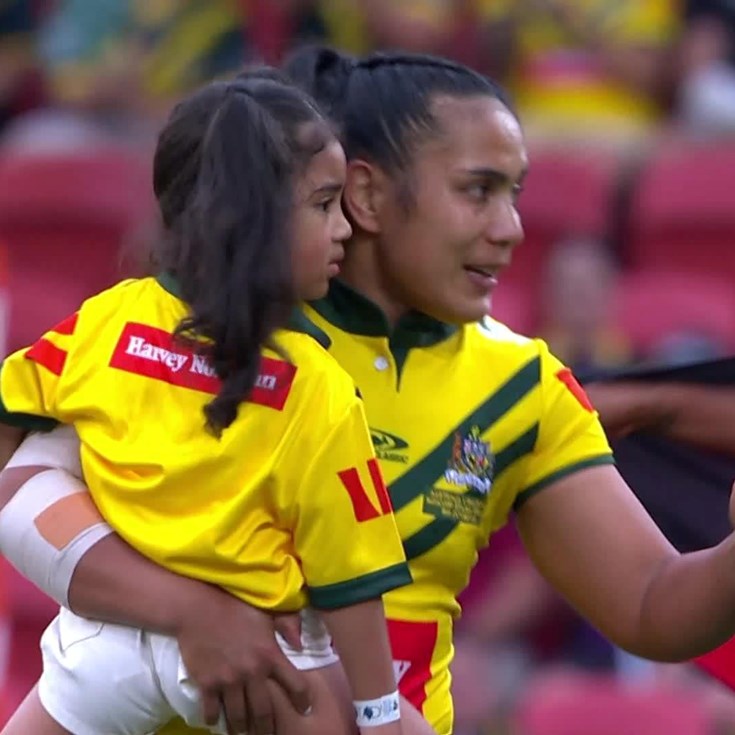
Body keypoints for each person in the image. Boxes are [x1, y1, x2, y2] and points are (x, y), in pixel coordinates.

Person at [6, 47, 735, 735]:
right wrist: (197, 614)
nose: (511, 229)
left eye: (514, 195)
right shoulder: (209, 324)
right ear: (367, 194)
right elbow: (24, 491)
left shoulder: (525, 386)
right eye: (477, 190)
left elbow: (650, 606)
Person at [0, 68, 418, 735]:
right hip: (263, 659)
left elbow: (12, 417)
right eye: (323, 204)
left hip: (100, 650)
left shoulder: (109, 319)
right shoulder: (316, 385)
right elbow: (354, 583)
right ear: (253, 220)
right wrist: (379, 716)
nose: (345, 227)